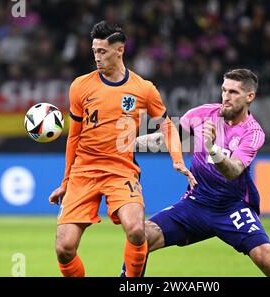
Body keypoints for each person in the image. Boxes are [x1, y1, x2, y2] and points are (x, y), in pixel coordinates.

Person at [48, 20, 196, 277]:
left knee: (137, 231)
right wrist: (66, 180)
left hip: (121, 171)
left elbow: (168, 127)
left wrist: (177, 160)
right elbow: (73, 138)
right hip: (84, 172)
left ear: (120, 50)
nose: (97, 57)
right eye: (94, 51)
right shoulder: (80, 86)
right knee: (64, 247)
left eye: (102, 51)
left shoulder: (143, 89)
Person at [123, 68, 270, 277]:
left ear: (250, 97)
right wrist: (126, 144)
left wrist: (212, 148)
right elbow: (166, 139)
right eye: (224, 90)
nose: (226, 97)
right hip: (196, 203)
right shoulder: (203, 114)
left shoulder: (253, 133)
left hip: (231, 208)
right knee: (141, 237)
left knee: (267, 259)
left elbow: (233, 170)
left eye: (234, 92)